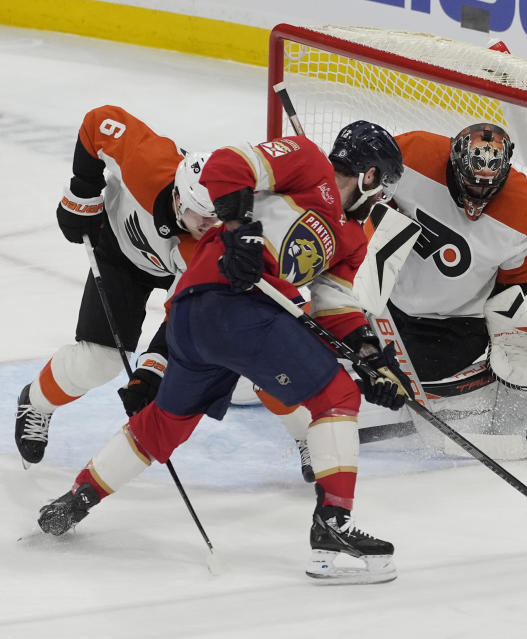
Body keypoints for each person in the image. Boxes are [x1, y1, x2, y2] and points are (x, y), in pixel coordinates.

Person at [36, 122, 413, 585]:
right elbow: (225, 164)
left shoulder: (352, 239)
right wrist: (241, 229)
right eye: (382, 190)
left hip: (201, 321)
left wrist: (373, 357)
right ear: (371, 177)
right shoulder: (308, 160)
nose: (379, 202)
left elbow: (334, 306)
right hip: (227, 306)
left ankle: (76, 500)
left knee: (164, 423)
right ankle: (333, 528)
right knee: (336, 399)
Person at [14, 105, 219, 468]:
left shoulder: (211, 244)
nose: (209, 223)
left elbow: (183, 315)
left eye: (216, 214)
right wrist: (83, 192)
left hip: (176, 272)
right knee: (99, 360)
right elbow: (99, 122)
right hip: (118, 254)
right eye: (200, 213)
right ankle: (36, 402)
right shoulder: (148, 162)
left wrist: (152, 371)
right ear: (178, 198)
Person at [367, 122, 527, 459]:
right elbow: (359, 189)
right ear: (453, 162)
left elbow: (518, 283)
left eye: (487, 188)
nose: (477, 195)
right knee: (333, 332)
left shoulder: (525, 205)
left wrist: (512, 330)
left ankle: (508, 417)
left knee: (523, 357)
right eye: (470, 184)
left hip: (455, 328)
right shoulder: (412, 153)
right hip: (387, 308)